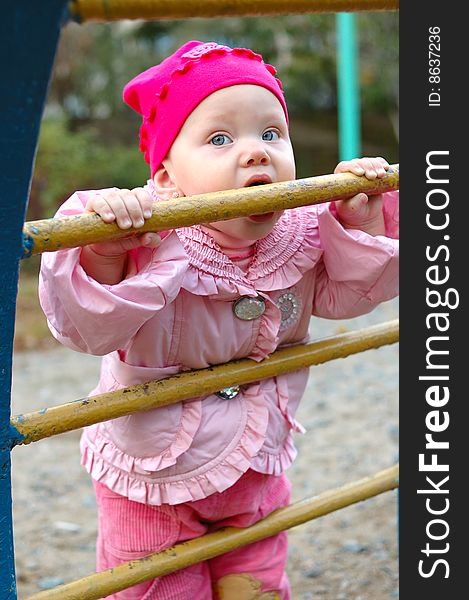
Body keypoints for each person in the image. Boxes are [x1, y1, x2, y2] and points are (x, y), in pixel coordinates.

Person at [39, 40, 399, 600]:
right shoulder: (146, 234)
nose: (257, 153)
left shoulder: (303, 230)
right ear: (164, 177)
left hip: (257, 462)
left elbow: (351, 298)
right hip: (153, 479)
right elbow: (89, 329)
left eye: (272, 134)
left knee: (257, 585)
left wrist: (362, 218)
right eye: (220, 138)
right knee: (157, 592)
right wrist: (105, 253)